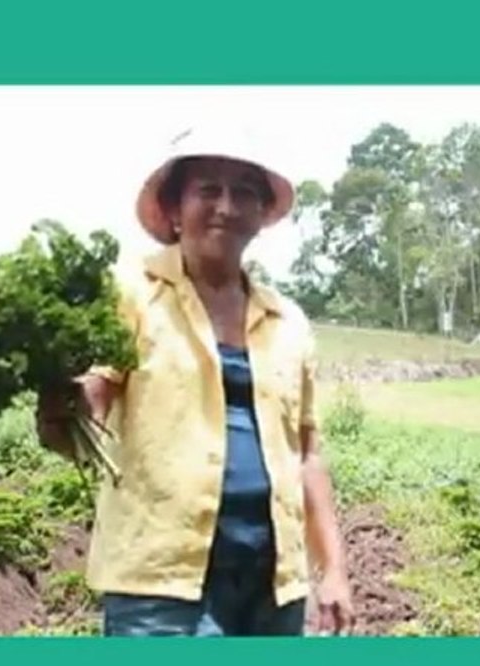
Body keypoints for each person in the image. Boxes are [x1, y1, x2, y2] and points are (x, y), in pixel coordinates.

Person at [36, 127, 354, 637]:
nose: (226, 206)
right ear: (174, 207)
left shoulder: (287, 320)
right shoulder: (131, 294)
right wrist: (61, 404)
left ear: (260, 213)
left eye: (244, 192)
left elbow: (308, 452)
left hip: (272, 588)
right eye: (208, 189)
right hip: (162, 588)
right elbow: (88, 404)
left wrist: (333, 569)